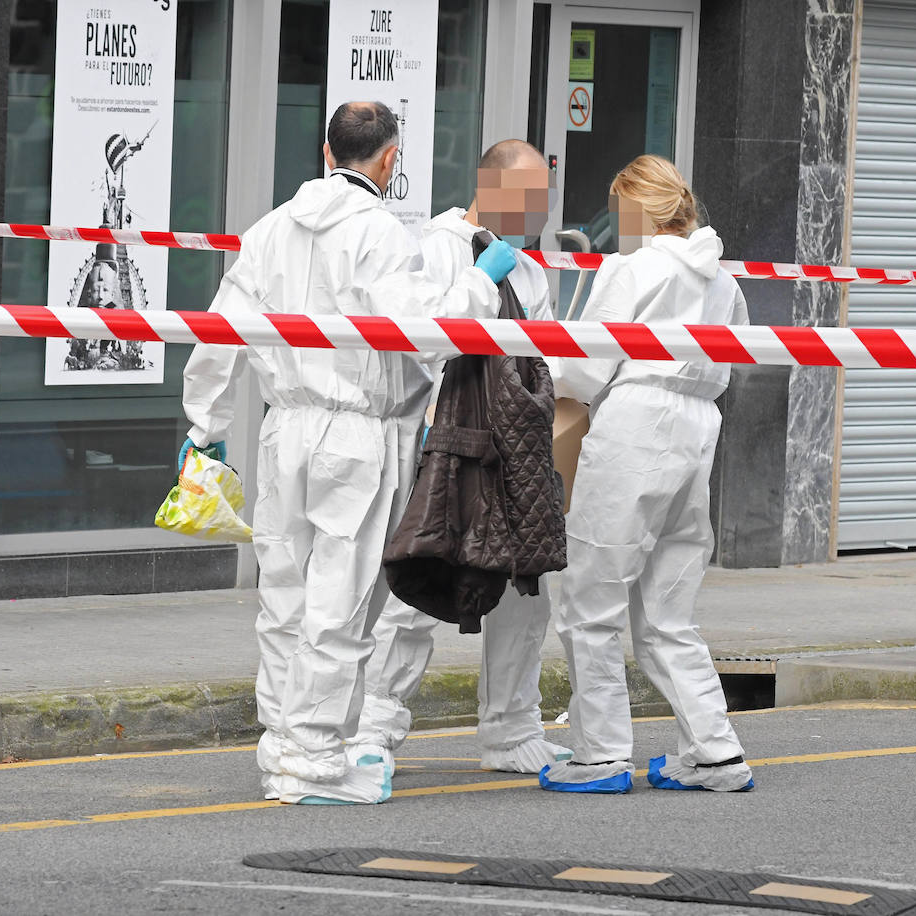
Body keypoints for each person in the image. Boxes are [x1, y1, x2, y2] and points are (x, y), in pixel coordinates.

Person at [180, 101, 519, 805]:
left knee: (284, 598)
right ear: (391, 160)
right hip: (360, 434)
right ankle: (314, 760)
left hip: (285, 428)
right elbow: (427, 329)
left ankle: (283, 748)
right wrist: (481, 280)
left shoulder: (269, 229)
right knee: (341, 603)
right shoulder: (380, 233)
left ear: (327, 152)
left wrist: (203, 424)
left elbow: (220, 329)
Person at [352, 140, 573, 776]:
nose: (534, 212)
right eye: (525, 197)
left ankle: (511, 729)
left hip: (516, 451)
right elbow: (423, 343)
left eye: (541, 200)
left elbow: (544, 360)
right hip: (445, 443)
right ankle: (375, 729)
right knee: (419, 584)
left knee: (525, 590)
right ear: (488, 185)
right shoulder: (433, 246)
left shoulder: (529, 271)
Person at [539, 154, 754, 795]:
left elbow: (585, 367)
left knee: (591, 598)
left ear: (636, 209)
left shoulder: (630, 268)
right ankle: (715, 753)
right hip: (699, 427)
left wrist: (540, 369)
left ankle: (600, 755)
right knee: (668, 609)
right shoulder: (722, 281)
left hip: (635, 424)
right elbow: (736, 357)